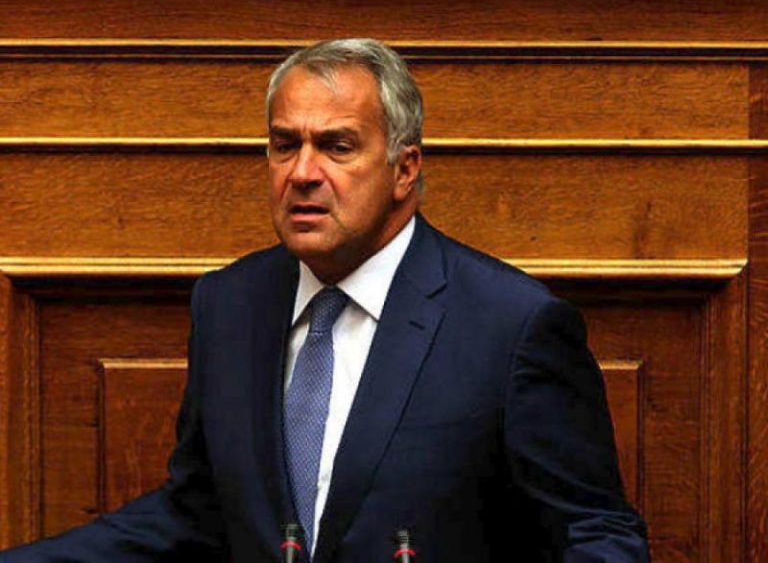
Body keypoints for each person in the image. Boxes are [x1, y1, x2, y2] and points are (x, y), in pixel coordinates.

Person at [1, 38, 649, 562]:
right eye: (285, 145)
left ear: (405, 169)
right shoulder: (229, 304)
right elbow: (198, 512)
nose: (303, 173)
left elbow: (596, 532)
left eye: (337, 147)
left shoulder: (512, 325)